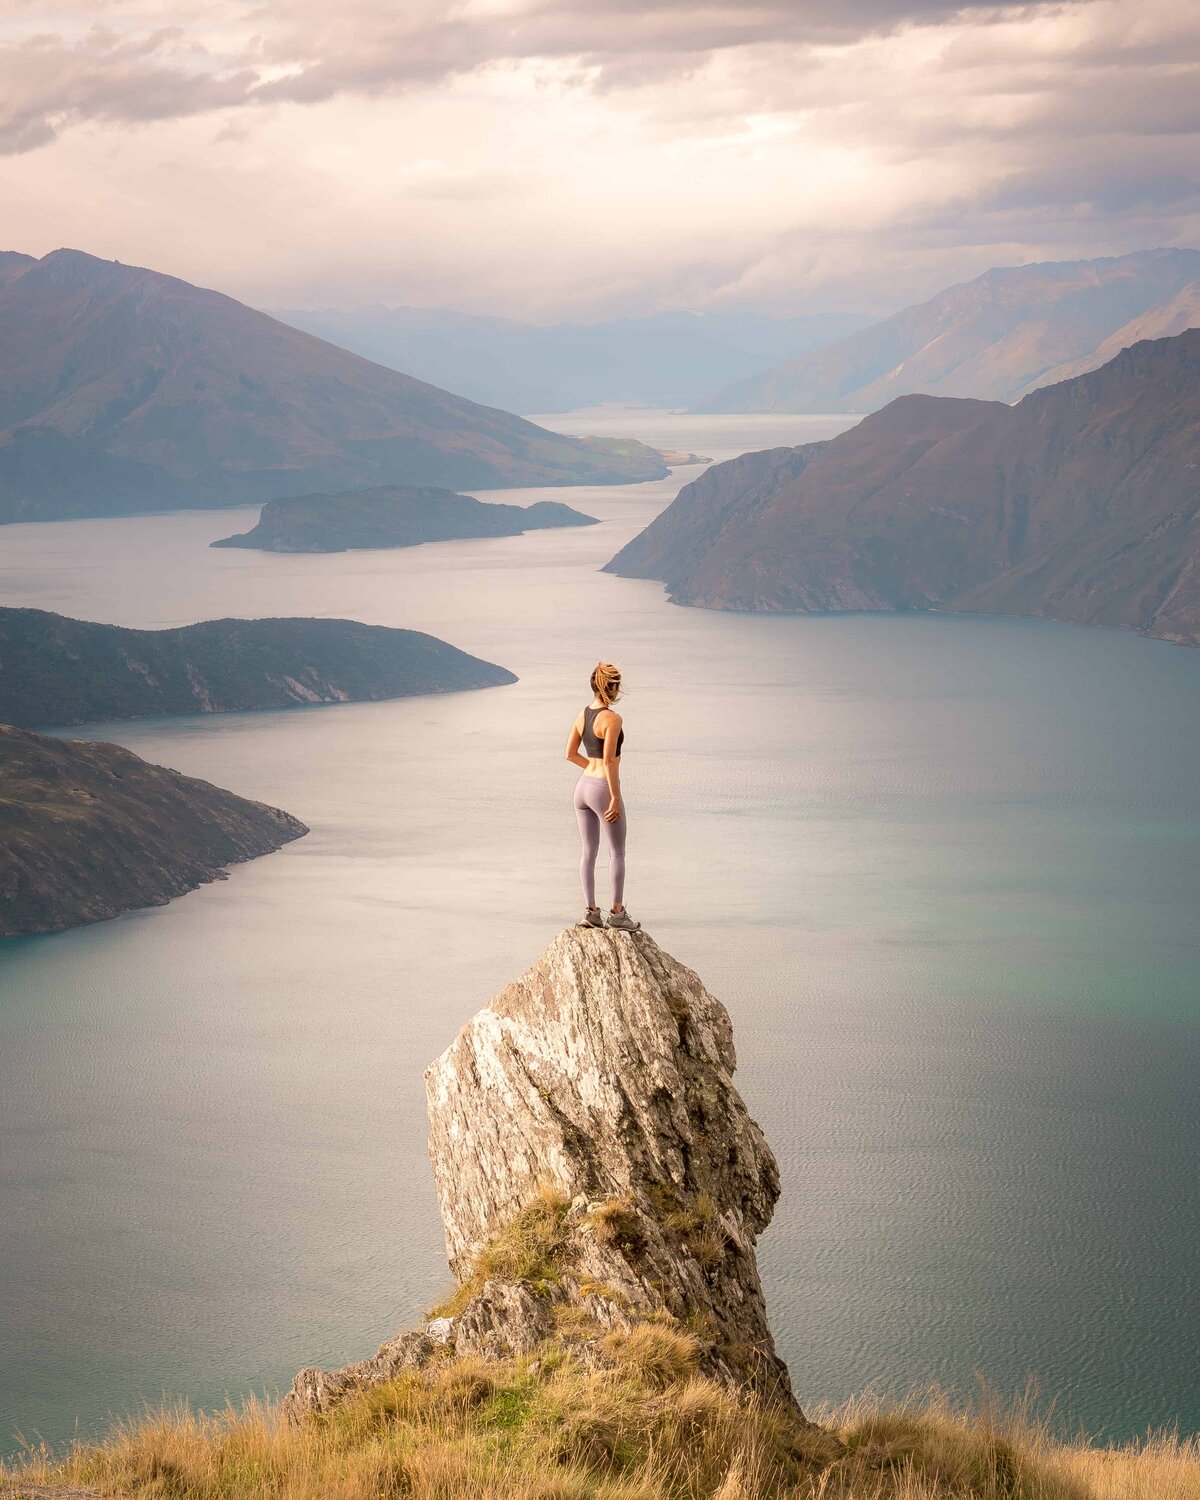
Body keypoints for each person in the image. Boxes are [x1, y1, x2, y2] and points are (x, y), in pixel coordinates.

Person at [565, 662, 640, 931]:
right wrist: (614, 797)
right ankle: (617, 915)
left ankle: (591, 912)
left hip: (582, 788)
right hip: (601, 788)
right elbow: (609, 762)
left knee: (588, 851)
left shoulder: (582, 714)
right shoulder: (612, 719)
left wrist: (591, 769)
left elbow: (570, 754)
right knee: (617, 852)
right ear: (612, 687)